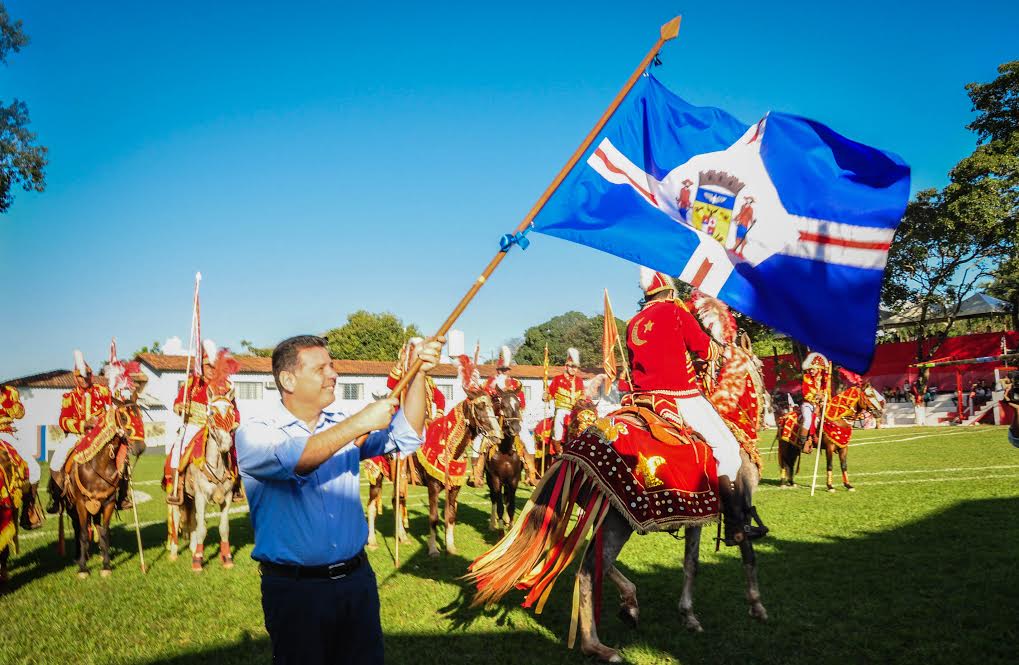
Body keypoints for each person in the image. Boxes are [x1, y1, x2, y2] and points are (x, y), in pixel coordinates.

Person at [236, 334, 442, 665]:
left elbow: (408, 434)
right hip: (295, 592)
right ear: (288, 380)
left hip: (356, 582)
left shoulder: (343, 425)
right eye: (321, 369)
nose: (333, 374)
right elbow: (298, 459)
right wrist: (358, 423)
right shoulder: (256, 432)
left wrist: (418, 373)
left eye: (332, 366)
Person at [625, 268, 765, 545]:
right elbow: (704, 349)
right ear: (669, 290)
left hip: (642, 399)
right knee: (728, 451)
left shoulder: (633, 322)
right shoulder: (676, 312)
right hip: (680, 395)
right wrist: (721, 350)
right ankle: (735, 526)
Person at [164, 340, 242, 503]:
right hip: (195, 425)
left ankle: (235, 487)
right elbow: (177, 403)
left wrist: (234, 423)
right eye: (208, 366)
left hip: (219, 427)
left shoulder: (225, 386)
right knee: (179, 448)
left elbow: (234, 410)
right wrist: (181, 407)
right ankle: (177, 485)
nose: (211, 370)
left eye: (214, 367)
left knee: (234, 449)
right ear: (201, 366)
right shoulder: (192, 384)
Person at [47, 351, 113, 513]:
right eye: (82, 376)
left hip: (100, 437)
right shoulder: (69, 397)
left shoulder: (103, 391)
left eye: (88, 375)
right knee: (55, 462)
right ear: (75, 378)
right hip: (77, 437)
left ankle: (122, 495)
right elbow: (63, 421)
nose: (85, 379)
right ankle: (57, 497)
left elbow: (112, 408)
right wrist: (83, 425)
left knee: (121, 460)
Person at [477, 345, 538, 485]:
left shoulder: (516, 384)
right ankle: (477, 474)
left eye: (506, 369)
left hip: (513, 419)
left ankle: (531, 473)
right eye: (502, 369)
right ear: (498, 370)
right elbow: (483, 401)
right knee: (480, 441)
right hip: (494, 420)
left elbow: (522, 402)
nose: (504, 372)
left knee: (528, 441)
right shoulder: (488, 383)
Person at [543, 348, 585, 448]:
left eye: (576, 367)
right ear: (566, 366)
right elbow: (550, 394)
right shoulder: (558, 379)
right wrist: (546, 396)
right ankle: (557, 442)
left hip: (575, 410)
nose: (574, 369)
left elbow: (582, 395)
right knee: (560, 416)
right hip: (562, 409)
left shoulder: (579, 381)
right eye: (571, 366)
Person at [798, 352, 830, 454]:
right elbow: (805, 393)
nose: (811, 371)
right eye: (810, 369)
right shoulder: (806, 377)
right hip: (808, 404)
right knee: (807, 420)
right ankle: (803, 442)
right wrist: (816, 401)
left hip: (821, 405)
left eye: (813, 369)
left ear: (819, 369)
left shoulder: (825, 379)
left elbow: (827, 392)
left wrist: (824, 396)